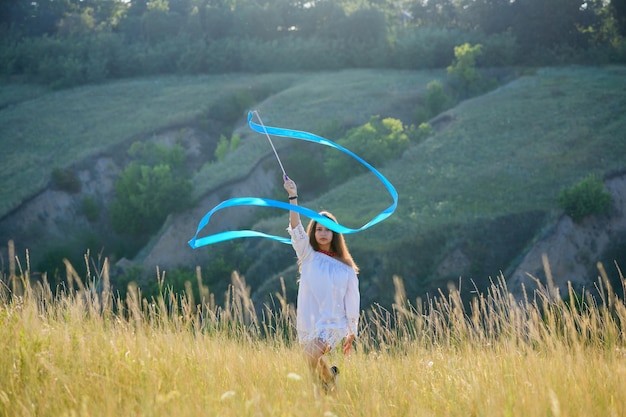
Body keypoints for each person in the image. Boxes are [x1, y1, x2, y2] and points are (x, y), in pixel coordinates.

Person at [283, 175, 360, 394]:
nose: (323, 233)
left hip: (333, 323)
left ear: (334, 233)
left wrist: (351, 332)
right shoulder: (308, 255)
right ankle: (330, 385)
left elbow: (352, 299)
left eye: (327, 229)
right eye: (318, 229)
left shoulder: (346, 268)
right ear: (313, 233)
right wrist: (293, 196)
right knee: (311, 358)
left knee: (309, 355)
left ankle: (325, 388)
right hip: (311, 319)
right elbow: (296, 228)